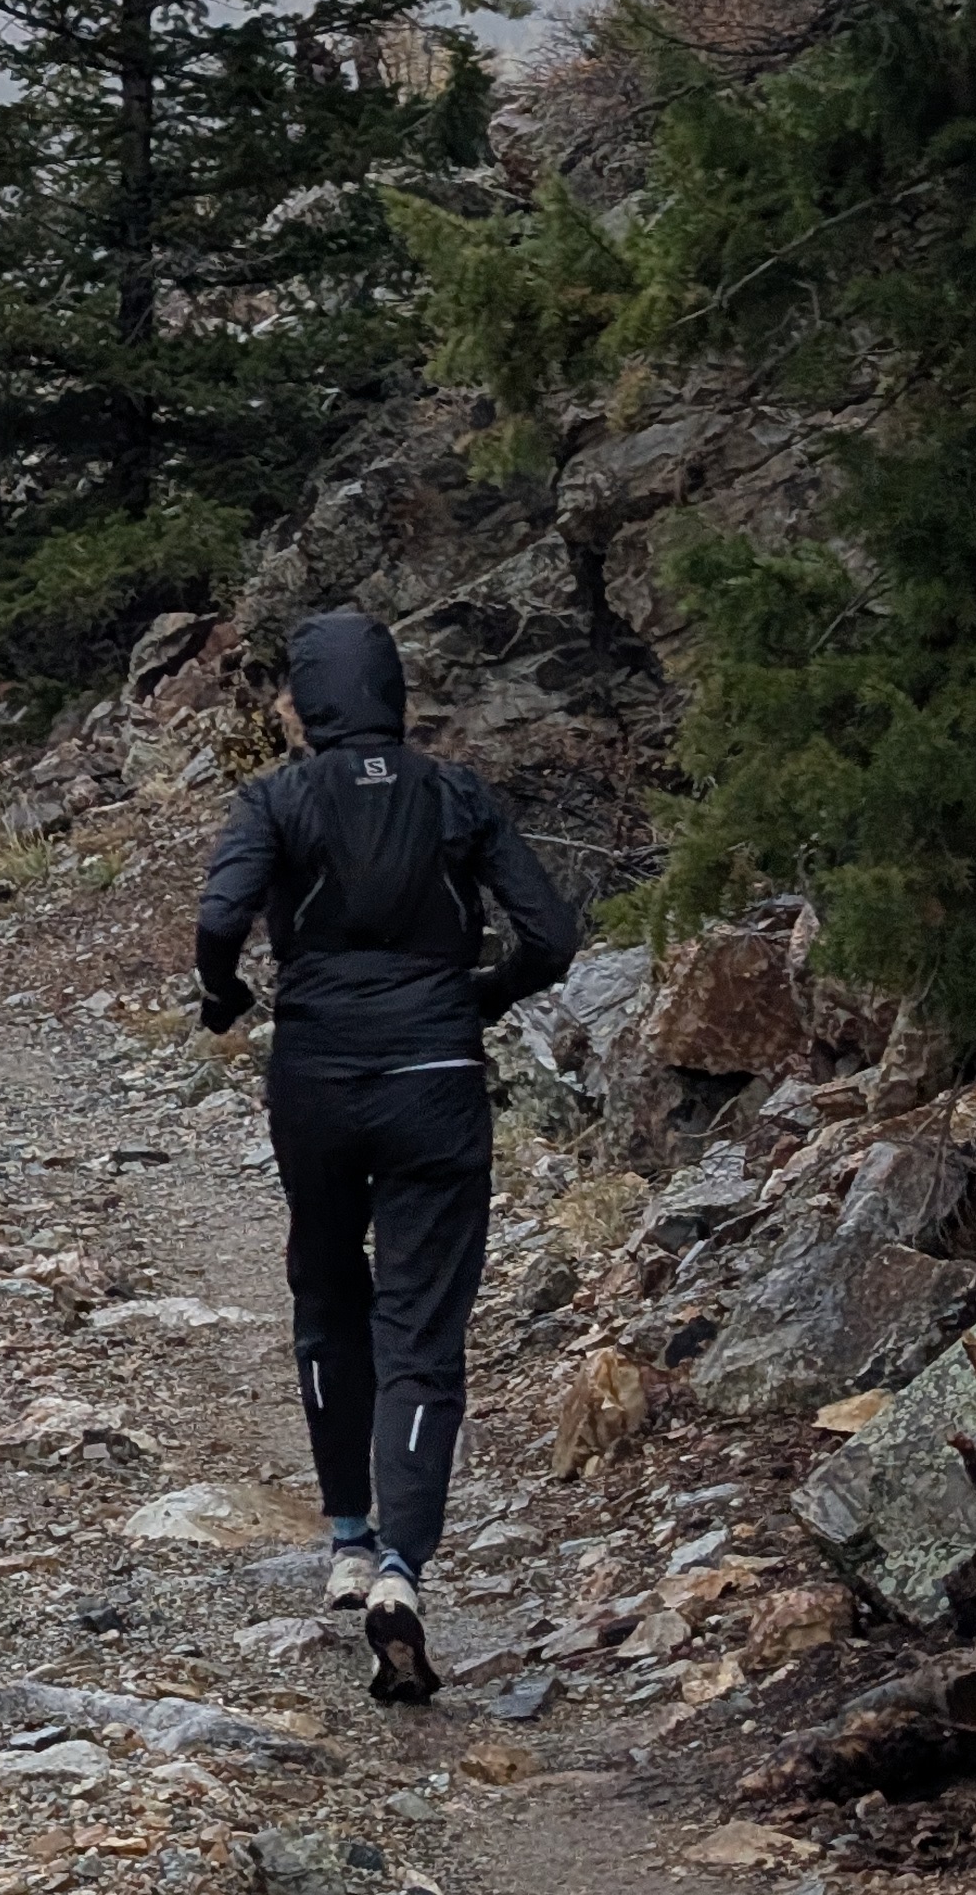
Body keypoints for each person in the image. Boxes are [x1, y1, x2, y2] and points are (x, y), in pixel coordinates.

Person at [195, 607, 578, 1708]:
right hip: (434, 1083)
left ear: (309, 701)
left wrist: (227, 997)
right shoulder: (454, 793)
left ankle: (349, 1540)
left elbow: (219, 921)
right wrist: (478, 999)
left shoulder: (278, 798)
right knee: (422, 1327)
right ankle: (404, 1569)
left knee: (326, 1290)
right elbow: (552, 936)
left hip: (316, 1080)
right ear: (394, 693)